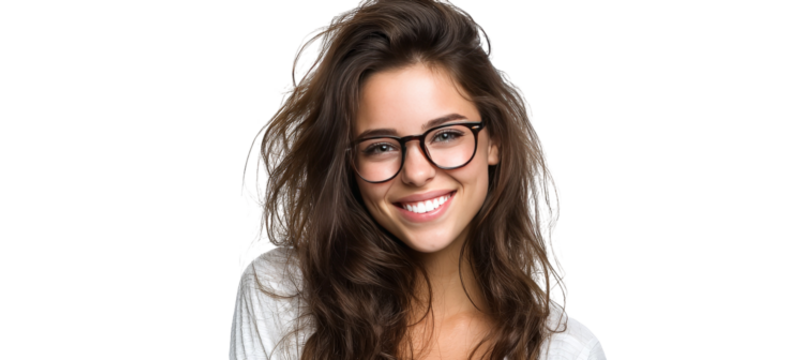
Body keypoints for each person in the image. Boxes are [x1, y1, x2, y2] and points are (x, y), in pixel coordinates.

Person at [230, 0, 605, 359]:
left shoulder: (565, 351)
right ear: (348, 164)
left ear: (495, 142)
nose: (417, 172)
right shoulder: (276, 299)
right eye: (380, 146)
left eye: (446, 135)